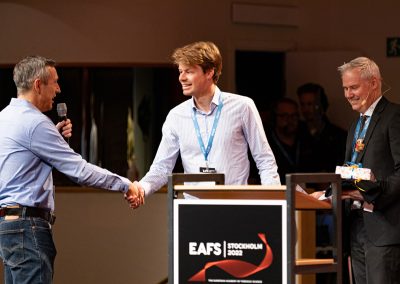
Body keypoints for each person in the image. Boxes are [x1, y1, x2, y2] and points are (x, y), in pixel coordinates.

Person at [0, 55, 141, 284]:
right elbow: (80, 171)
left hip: (8, 228)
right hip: (28, 229)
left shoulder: (4, 117)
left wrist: (51, 136)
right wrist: (126, 184)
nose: (58, 89)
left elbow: (20, 163)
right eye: (54, 82)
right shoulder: (36, 124)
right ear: (38, 84)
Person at [129, 41, 280, 200]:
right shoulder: (176, 116)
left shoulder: (243, 107)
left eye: (188, 71)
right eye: (180, 71)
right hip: (193, 211)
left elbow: (264, 160)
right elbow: (161, 168)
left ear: (209, 72)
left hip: (235, 208)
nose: (181, 78)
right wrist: (142, 188)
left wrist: (275, 204)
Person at [315, 57, 400, 283]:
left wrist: (371, 193)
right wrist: (328, 193)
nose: (348, 94)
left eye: (353, 87)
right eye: (345, 88)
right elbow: (349, 171)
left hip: (384, 228)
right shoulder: (355, 125)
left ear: (373, 83)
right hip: (355, 225)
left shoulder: (394, 116)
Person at [296, 82, 347, 173]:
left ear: (321, 105)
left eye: (310, 104)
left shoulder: (338, 136)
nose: (306, 109)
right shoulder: (296, 133)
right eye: (302, 104)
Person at [266, 98, 315, 184]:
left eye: (294, 116)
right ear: (275, 117)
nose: (290, 120)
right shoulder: (266, 144)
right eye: (284, 115)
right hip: (277, 193)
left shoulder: (307, 140)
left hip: (307, 193)